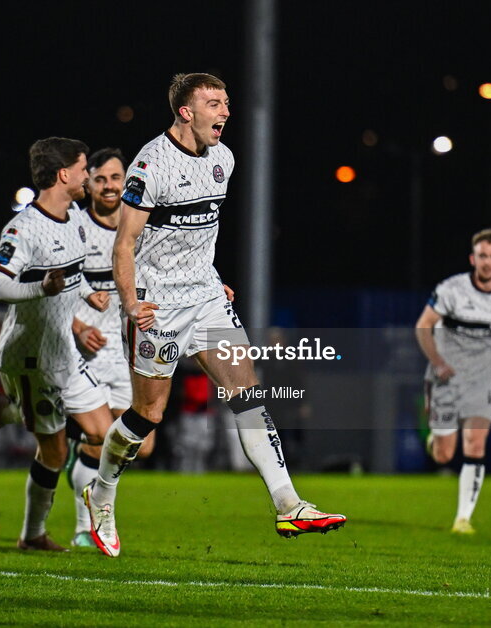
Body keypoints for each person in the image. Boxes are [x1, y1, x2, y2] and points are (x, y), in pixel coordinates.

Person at [84, 72, 346, 557]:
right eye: (214, 103)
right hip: (158, 306)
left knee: (248, 394)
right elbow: (125, 244)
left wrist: (209, 274)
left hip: (205, 298)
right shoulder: (150, 165)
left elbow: (200, 230)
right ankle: (101, 493)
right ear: (186, 111)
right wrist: (131, 303)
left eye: (226, 103)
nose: (226, 111)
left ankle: (288, 503)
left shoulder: (223, 158)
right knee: (148, 416)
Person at [0, 137, 90, 551]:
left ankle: (6, 410)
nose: (88, 175)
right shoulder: (23, 228)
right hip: (31, 356)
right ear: (64, 173)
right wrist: (41, 288)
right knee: (55, 452)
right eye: (83, 168)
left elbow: (76, 277)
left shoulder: (77, 217)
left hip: (63, 349)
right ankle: (32, 536)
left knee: (101, 429)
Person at [414, 228, 491, 534]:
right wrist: (438, 362)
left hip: (483, 379)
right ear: (472, 258)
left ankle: (462, 518)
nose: (487, 262)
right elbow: (423, 327)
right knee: (445, 454)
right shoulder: (451, 291)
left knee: (475, 444)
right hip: (446, 375)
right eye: (482, 256)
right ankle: (434, 440)